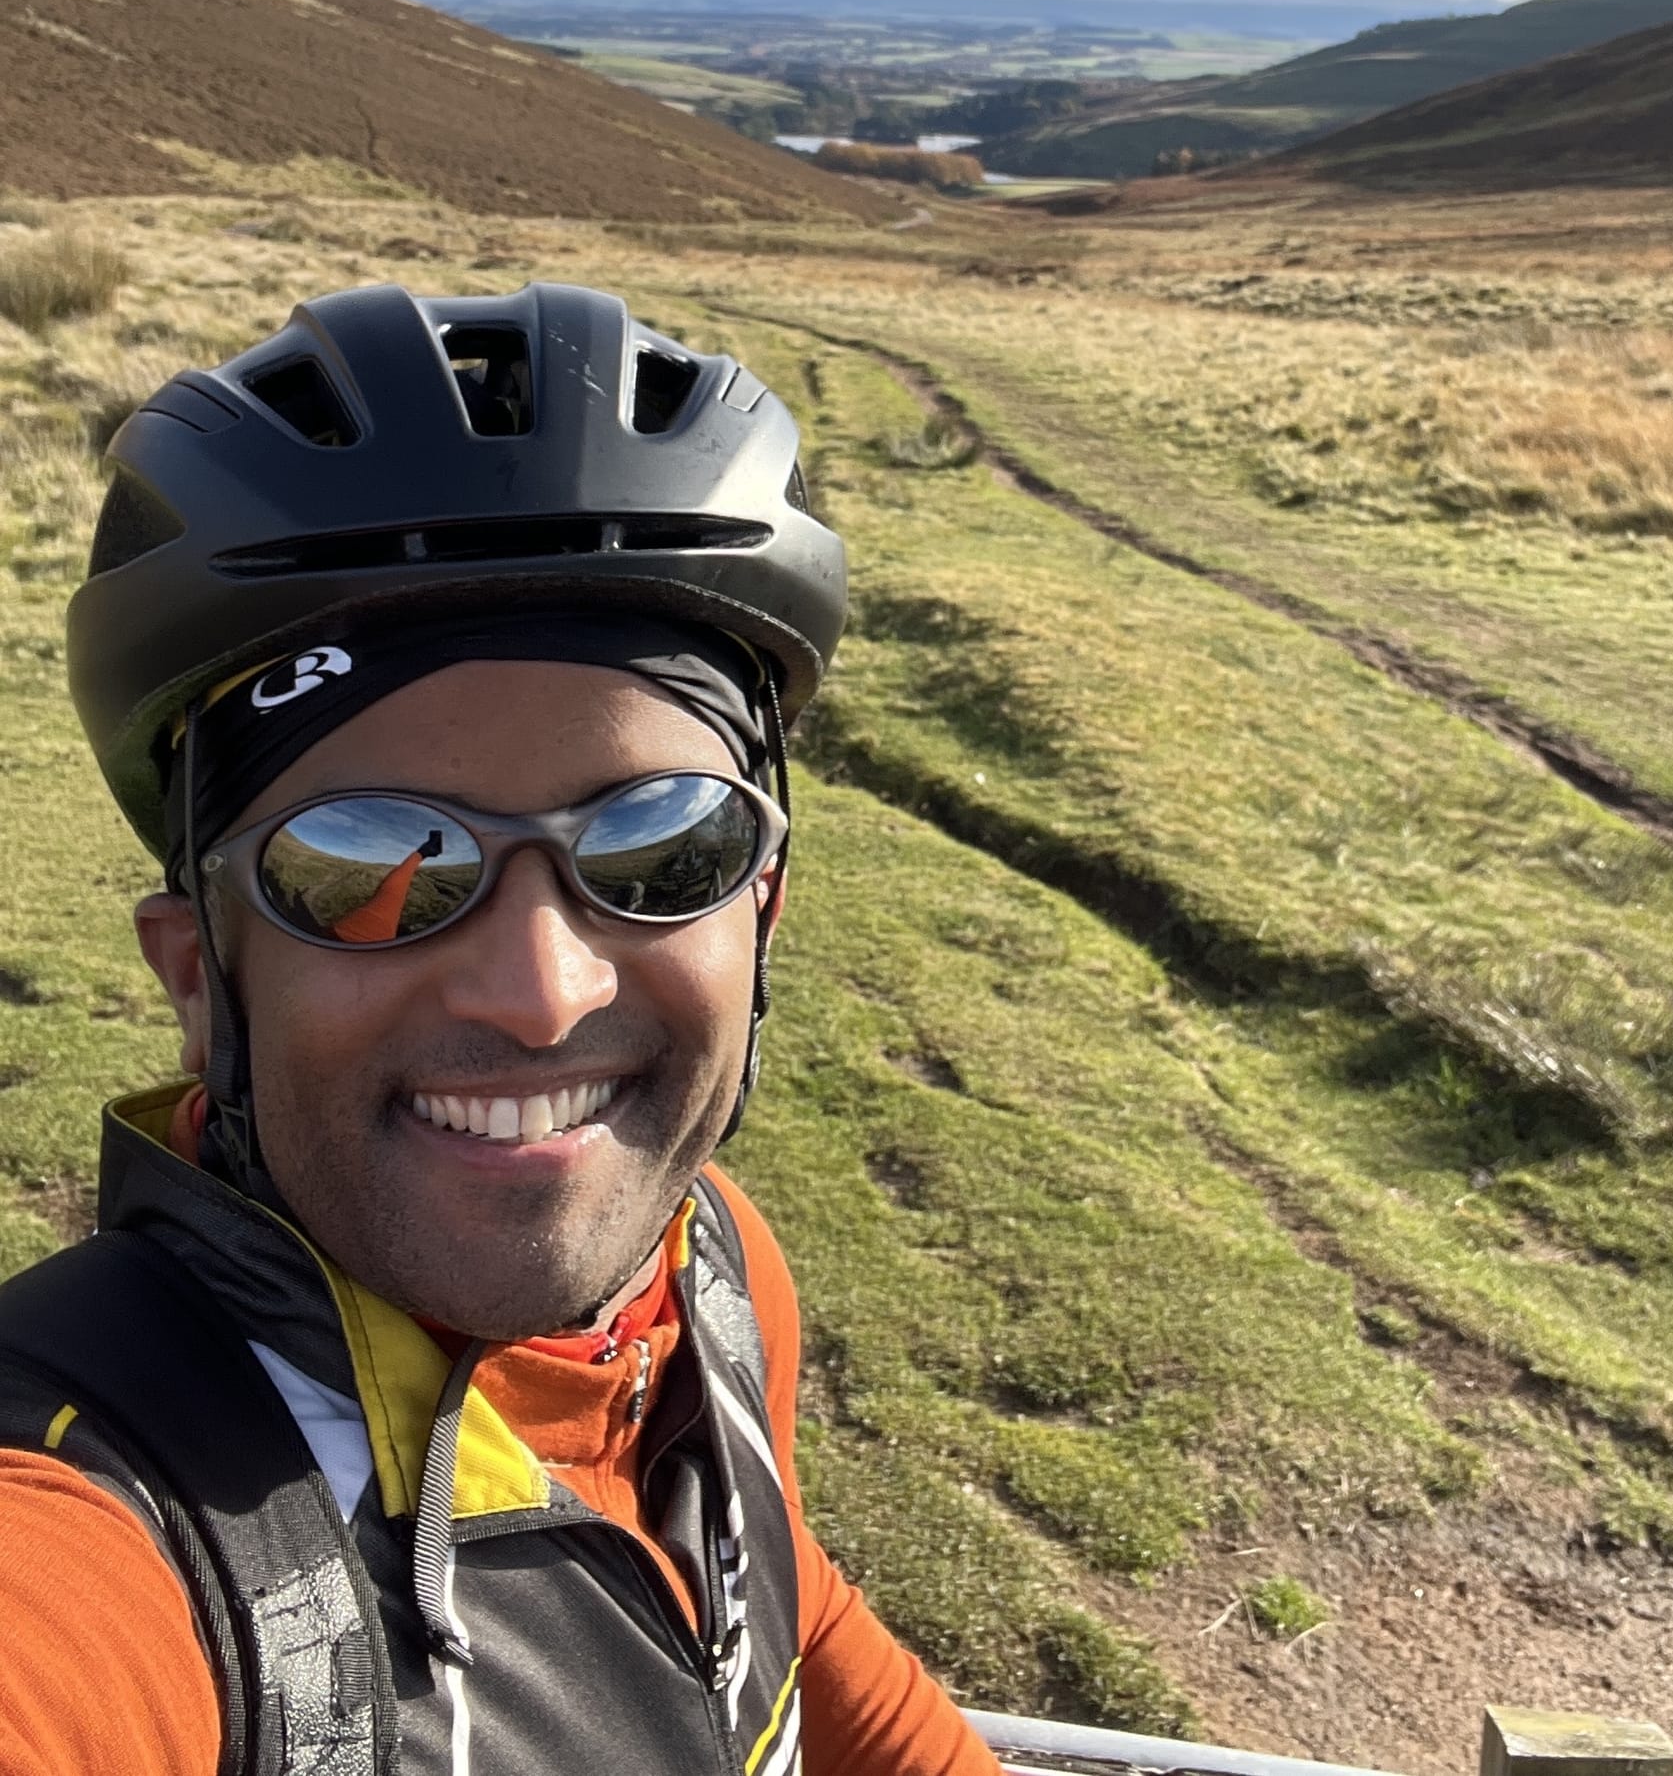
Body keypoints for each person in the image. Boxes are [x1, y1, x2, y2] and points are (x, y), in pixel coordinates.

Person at [0, 281, 1007, 1776]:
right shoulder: (100, 1513)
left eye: (658, 848)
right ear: (201, 973)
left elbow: (786, 1636)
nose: (543, 992)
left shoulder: (709, 1273)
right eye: (368, 869)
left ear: (766, 909)